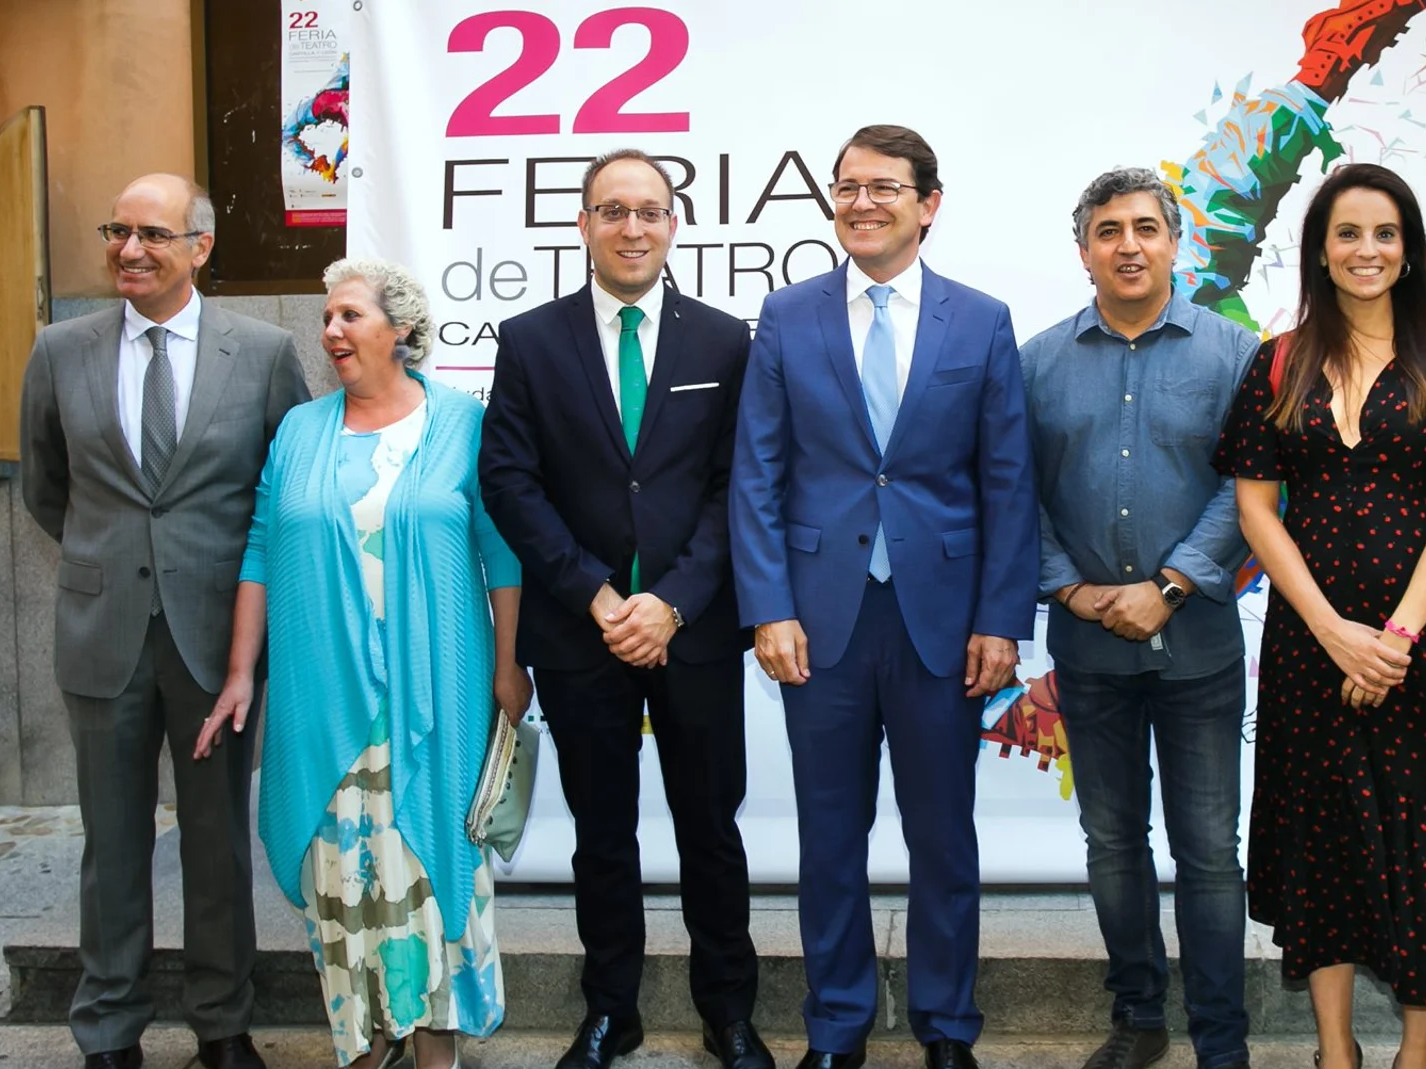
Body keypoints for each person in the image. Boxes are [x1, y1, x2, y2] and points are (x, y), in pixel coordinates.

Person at [730, 124, 1038, 1069]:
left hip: (943, 622)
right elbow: (757, 471)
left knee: (943, 836)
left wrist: (1001, 619)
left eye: (884, 187)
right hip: (818, 620)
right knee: (829, 837)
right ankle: (837, 1029)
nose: (861, 202)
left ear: (927, 204)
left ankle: (948, 1028)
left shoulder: (980, 320)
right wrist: (767, 606)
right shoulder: (788, 315)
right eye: (847, 186)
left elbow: (1007, 481)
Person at [1213, 162, 1426, 1069]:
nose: (1367, 250)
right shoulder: (1276, 359)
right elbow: (1256, 509)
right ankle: (1334, 1051)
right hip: (1312, 643)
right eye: (1349, 232)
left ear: (1409, 248)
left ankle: (1418, 1051)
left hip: (1422, 647)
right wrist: (1330, 629)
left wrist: (1390, 638)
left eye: (1385, 233)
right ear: (1320, 247)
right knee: (1326, 837)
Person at [195, 258, 528, 1069]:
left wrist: (510, 668)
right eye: (327, 318)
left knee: (430, 860)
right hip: (323, 696)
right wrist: (242, 674)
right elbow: (262, 550)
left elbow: (502, 555)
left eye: (349, 316)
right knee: (343, 871)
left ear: (401, 331)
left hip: (439, 690)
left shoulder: (461, 423)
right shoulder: (301, 430)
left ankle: (435, 1045)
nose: (331, 332)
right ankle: (368, 1032)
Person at [478, 149, 769, 1069]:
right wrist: (600, 596)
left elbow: (739, 487)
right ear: (584, 225)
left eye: (649, 211)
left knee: (710, 833)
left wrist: (672, 603)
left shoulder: (726, 340)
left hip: (696, 635)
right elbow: (510, 482)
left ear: (675, 223)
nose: (632, 227)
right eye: (613, 211)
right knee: (601, 836)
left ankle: (728, 1010)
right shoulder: (530, 339)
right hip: (579, 632)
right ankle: (612, 1009)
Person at [19, 174, 310, 1069]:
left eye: (152, 233)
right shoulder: (60, 350)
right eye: (117, 230)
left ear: (200, 247)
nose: (130, 249)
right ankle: (109, 1032)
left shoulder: (260, 353)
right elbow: (45, 487)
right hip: (101, 638)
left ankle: (223, 1025)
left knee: (217, 842)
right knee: (112, 844)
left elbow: (284, 490)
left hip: (216, 643)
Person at [1020, 167, 1257, 1069]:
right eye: (1108, 230)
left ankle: (1221, 1037)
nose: (1128, 244)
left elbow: (1250, 486)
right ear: (1083, 251)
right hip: (1086, 646)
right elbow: (1016, 491)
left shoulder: (1235, 353)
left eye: (1146, 228)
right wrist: (1070, 590)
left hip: (1197, 642)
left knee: (1207, 851)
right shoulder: (1038, 360)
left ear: (1175, 242)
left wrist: (1172, 582)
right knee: (1113, 843)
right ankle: (1139, 1016)